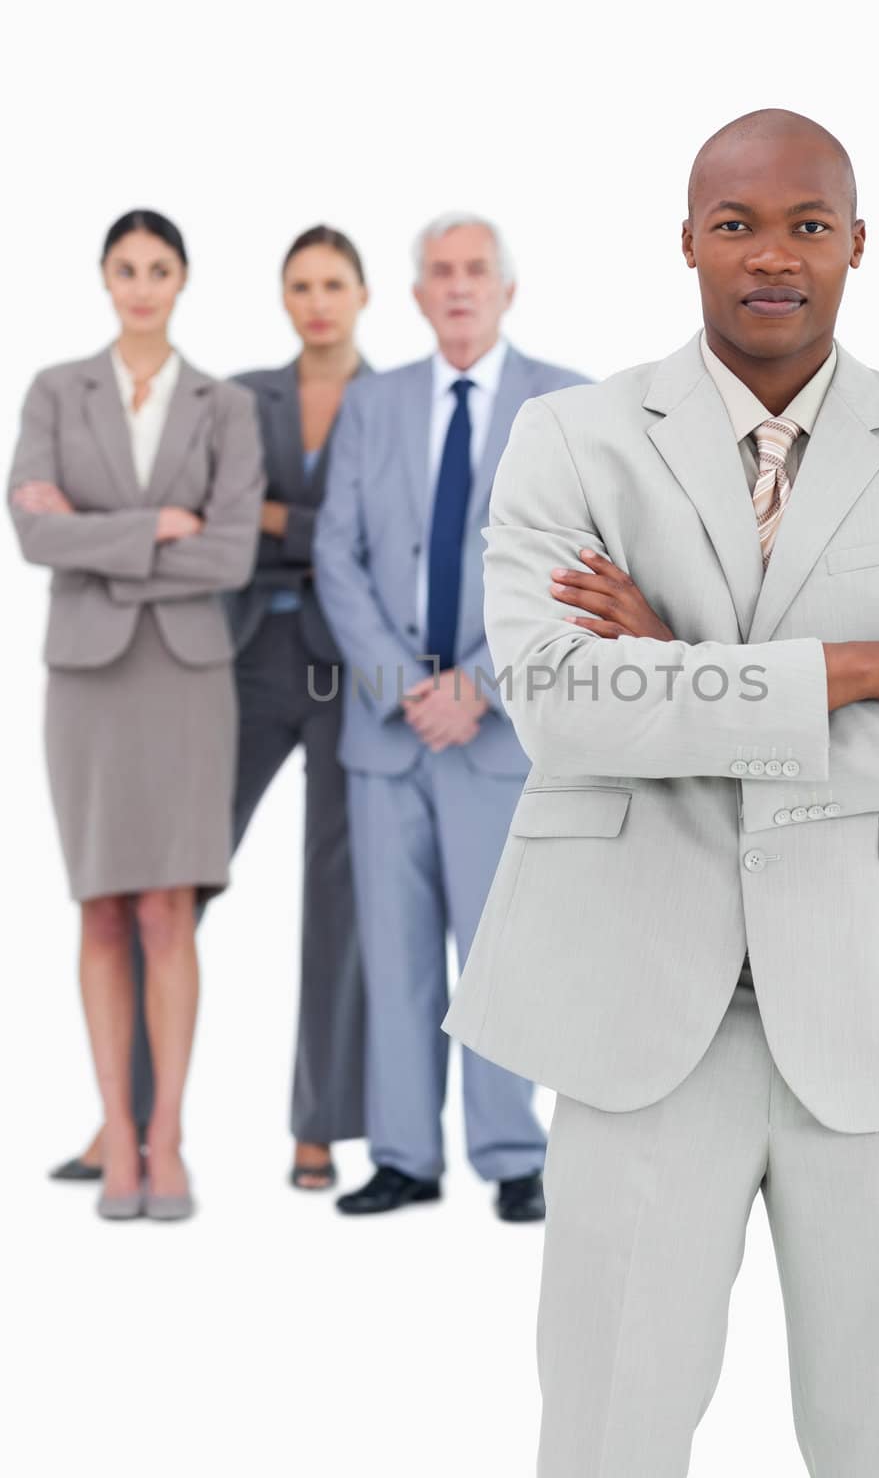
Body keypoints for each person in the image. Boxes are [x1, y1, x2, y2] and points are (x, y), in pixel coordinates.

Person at [443, 112, 879, 1473]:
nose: (769, 255)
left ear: (855, 246)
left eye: (805, 225)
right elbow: (561, 708)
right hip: (635, 1012)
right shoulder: (569, 440)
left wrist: (678, 672)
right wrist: (865, 667)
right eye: (734, 225)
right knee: (608, 1429)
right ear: (684, 242)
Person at [48, 226, 373, 1193]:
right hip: (234, 653)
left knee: (335, 893)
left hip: (352, 661)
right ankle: (131, 1122)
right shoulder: (240, 397)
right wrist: (245, 527)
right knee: (169, 885)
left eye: (332, 284)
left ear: (361, 295)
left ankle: (318, 1126)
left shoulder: (390, 401)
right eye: (300, 285)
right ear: (282, 298)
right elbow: (208, 527)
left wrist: (268, 518)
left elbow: (366, 530)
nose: (316, 300)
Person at [314, 212, 589, 1221]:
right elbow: (336, 554)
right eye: (440, 272)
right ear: (418, 294)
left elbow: (579, 563)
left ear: (505, 289)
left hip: (496, 730)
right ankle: (401, 1155)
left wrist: (478, 682)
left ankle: (514, 1153)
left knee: (500, 949)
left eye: (476, 270)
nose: (459, 285)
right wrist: (400, 685)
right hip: (387, 734)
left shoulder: (560, 401)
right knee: (391, 956)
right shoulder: (373, 403)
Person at [9, 209, 263, 1221]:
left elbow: (231, 553)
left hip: (190, 678)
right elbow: (30, 533)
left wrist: (95, 536)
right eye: (128, 268)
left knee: (168, 907)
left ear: (183, 279)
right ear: (105, 279)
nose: (144, 284)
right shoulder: (53, 391)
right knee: (103, 905)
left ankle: (168, 1140)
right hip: (87, 682)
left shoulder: (223, 405)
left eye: (160, 268)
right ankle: (116, 1131)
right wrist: (157, 528)